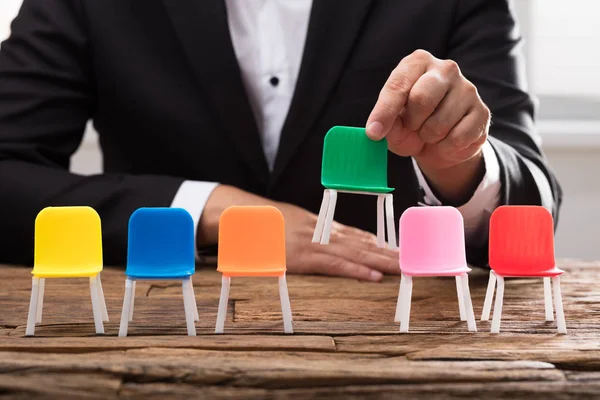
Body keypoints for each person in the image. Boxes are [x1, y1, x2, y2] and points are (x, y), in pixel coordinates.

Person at [0, 0, 561, 281]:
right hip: (154, 326)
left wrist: (462, 162)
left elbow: (533, 199)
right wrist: (207, 206)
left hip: (400, 348)